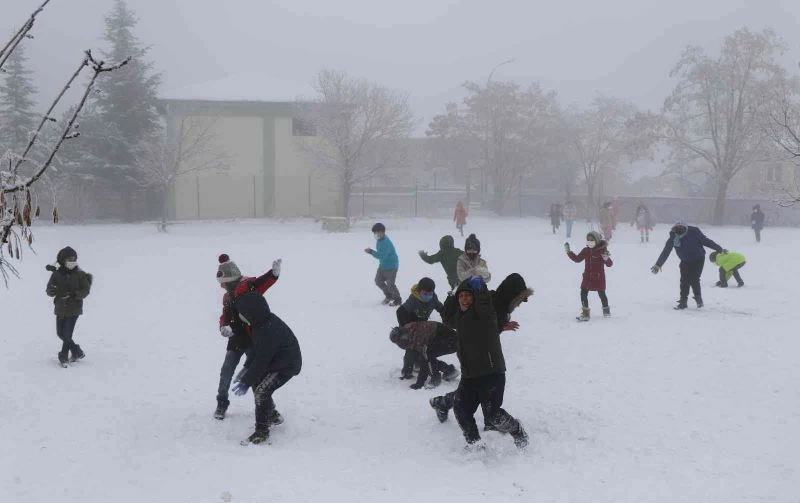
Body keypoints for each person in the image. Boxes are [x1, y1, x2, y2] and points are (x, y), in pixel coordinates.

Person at [428, 277, 528, 449]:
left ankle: (517, 430)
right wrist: (452, 295)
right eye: (461, 296)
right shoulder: (460, 317)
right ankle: (474, 444)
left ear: (475, 297)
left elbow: (485, 307)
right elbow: (447, 317)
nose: (464, 299)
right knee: (461, 409)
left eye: (468, 296)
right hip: (470, 374)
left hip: (491, 372)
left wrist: (481, 290)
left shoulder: (484, 313)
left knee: (492, 415)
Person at [229, 276, 302, 445]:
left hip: (286, 365)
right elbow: (257, 352)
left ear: (251, 312)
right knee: (258, 384)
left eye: (242, 313)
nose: (240, 316)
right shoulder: (260, 324)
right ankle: (272, 415)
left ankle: (261, 432)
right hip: (276, 361)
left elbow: (262, 359)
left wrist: (246, 380)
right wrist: (246, 368)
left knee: (261, 391)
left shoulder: (267, 330)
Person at [214, 254, 281, 420]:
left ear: (230, 279)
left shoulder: (248, 287)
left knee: (256, 375)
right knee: (226, 371)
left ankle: (270, 410)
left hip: (252, 340)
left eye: (222, 282)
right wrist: (223, 326)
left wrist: (272, 274)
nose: (221, 286)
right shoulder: (227, 296)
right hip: (235, 341)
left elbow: (262, 282)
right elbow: (225, 315)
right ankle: (222, 403)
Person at [651, 221, 724, 310]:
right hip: (685, 260)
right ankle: (683, 302)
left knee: (694, 279)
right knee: (684, 280)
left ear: (685, 230)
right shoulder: (673, 237)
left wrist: (720, 249)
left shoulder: (694, 232)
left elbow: (707, 241)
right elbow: (666, 251)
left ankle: (698, 300)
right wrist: (658, 265)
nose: (679, 234)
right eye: (677, 232)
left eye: (681, 232)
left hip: (698, 259)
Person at [45, 246, 92, 367]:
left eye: (74, 259)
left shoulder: (80, 274)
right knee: (60, 333)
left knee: (67, 334)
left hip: (74, 308)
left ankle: (63, 356)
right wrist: (52, 290)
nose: (72, 261)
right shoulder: (56, 274)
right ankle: (77, 352)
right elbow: (49, 290)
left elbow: (86, 290)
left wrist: (75, 295)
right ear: (62, 260)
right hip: (60, 308)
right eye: (69, 259)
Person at [396, 277, 447, 380]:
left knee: (422, 349)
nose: (427, 296)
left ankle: (420, 364)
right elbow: (400, 311)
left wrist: (447, 317)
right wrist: (405, 326)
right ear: (419, 291)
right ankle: (407, 370)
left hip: (423, 327)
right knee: (411, 348)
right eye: (425, 293)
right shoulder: (413, 299)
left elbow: (441, 309)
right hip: (412, 326)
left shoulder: (433, 299)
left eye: (430, 293)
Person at [389, 321, 458, 390]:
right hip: (439, 338)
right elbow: (410, 352)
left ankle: (435, 378)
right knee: (420, 354)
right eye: (399, 342)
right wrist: (407, 371)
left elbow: (425, 360)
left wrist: (419, 383)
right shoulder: (408, 333)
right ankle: (449, 370)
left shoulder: (419, 334)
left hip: (452, 341)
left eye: (402, 339)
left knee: (427, 353)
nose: (401, 342)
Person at [565, 231, 613, 321]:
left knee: (602, 294)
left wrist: (607, 259)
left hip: (598, 277)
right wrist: (569, 252)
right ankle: (585, 313)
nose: (590, 242)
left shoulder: (602, 251)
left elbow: (610, 264)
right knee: (583, 293)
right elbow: (577, 259)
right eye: (588, 240)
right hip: (587, 277)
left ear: (596, 240)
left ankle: (606, 311)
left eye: (592, 240)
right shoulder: (586, 251)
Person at [365, 222, 401, 306]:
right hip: (383, 265)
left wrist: (371, 251)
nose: (376, 234)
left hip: (391, 266)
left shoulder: (386, 243)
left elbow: (382, 256)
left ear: (382, 232)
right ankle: (389, 296)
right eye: (375, 233)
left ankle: (397, 299)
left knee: (390, 284)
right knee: (378, 281)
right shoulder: (380, 240)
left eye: (377, 232)